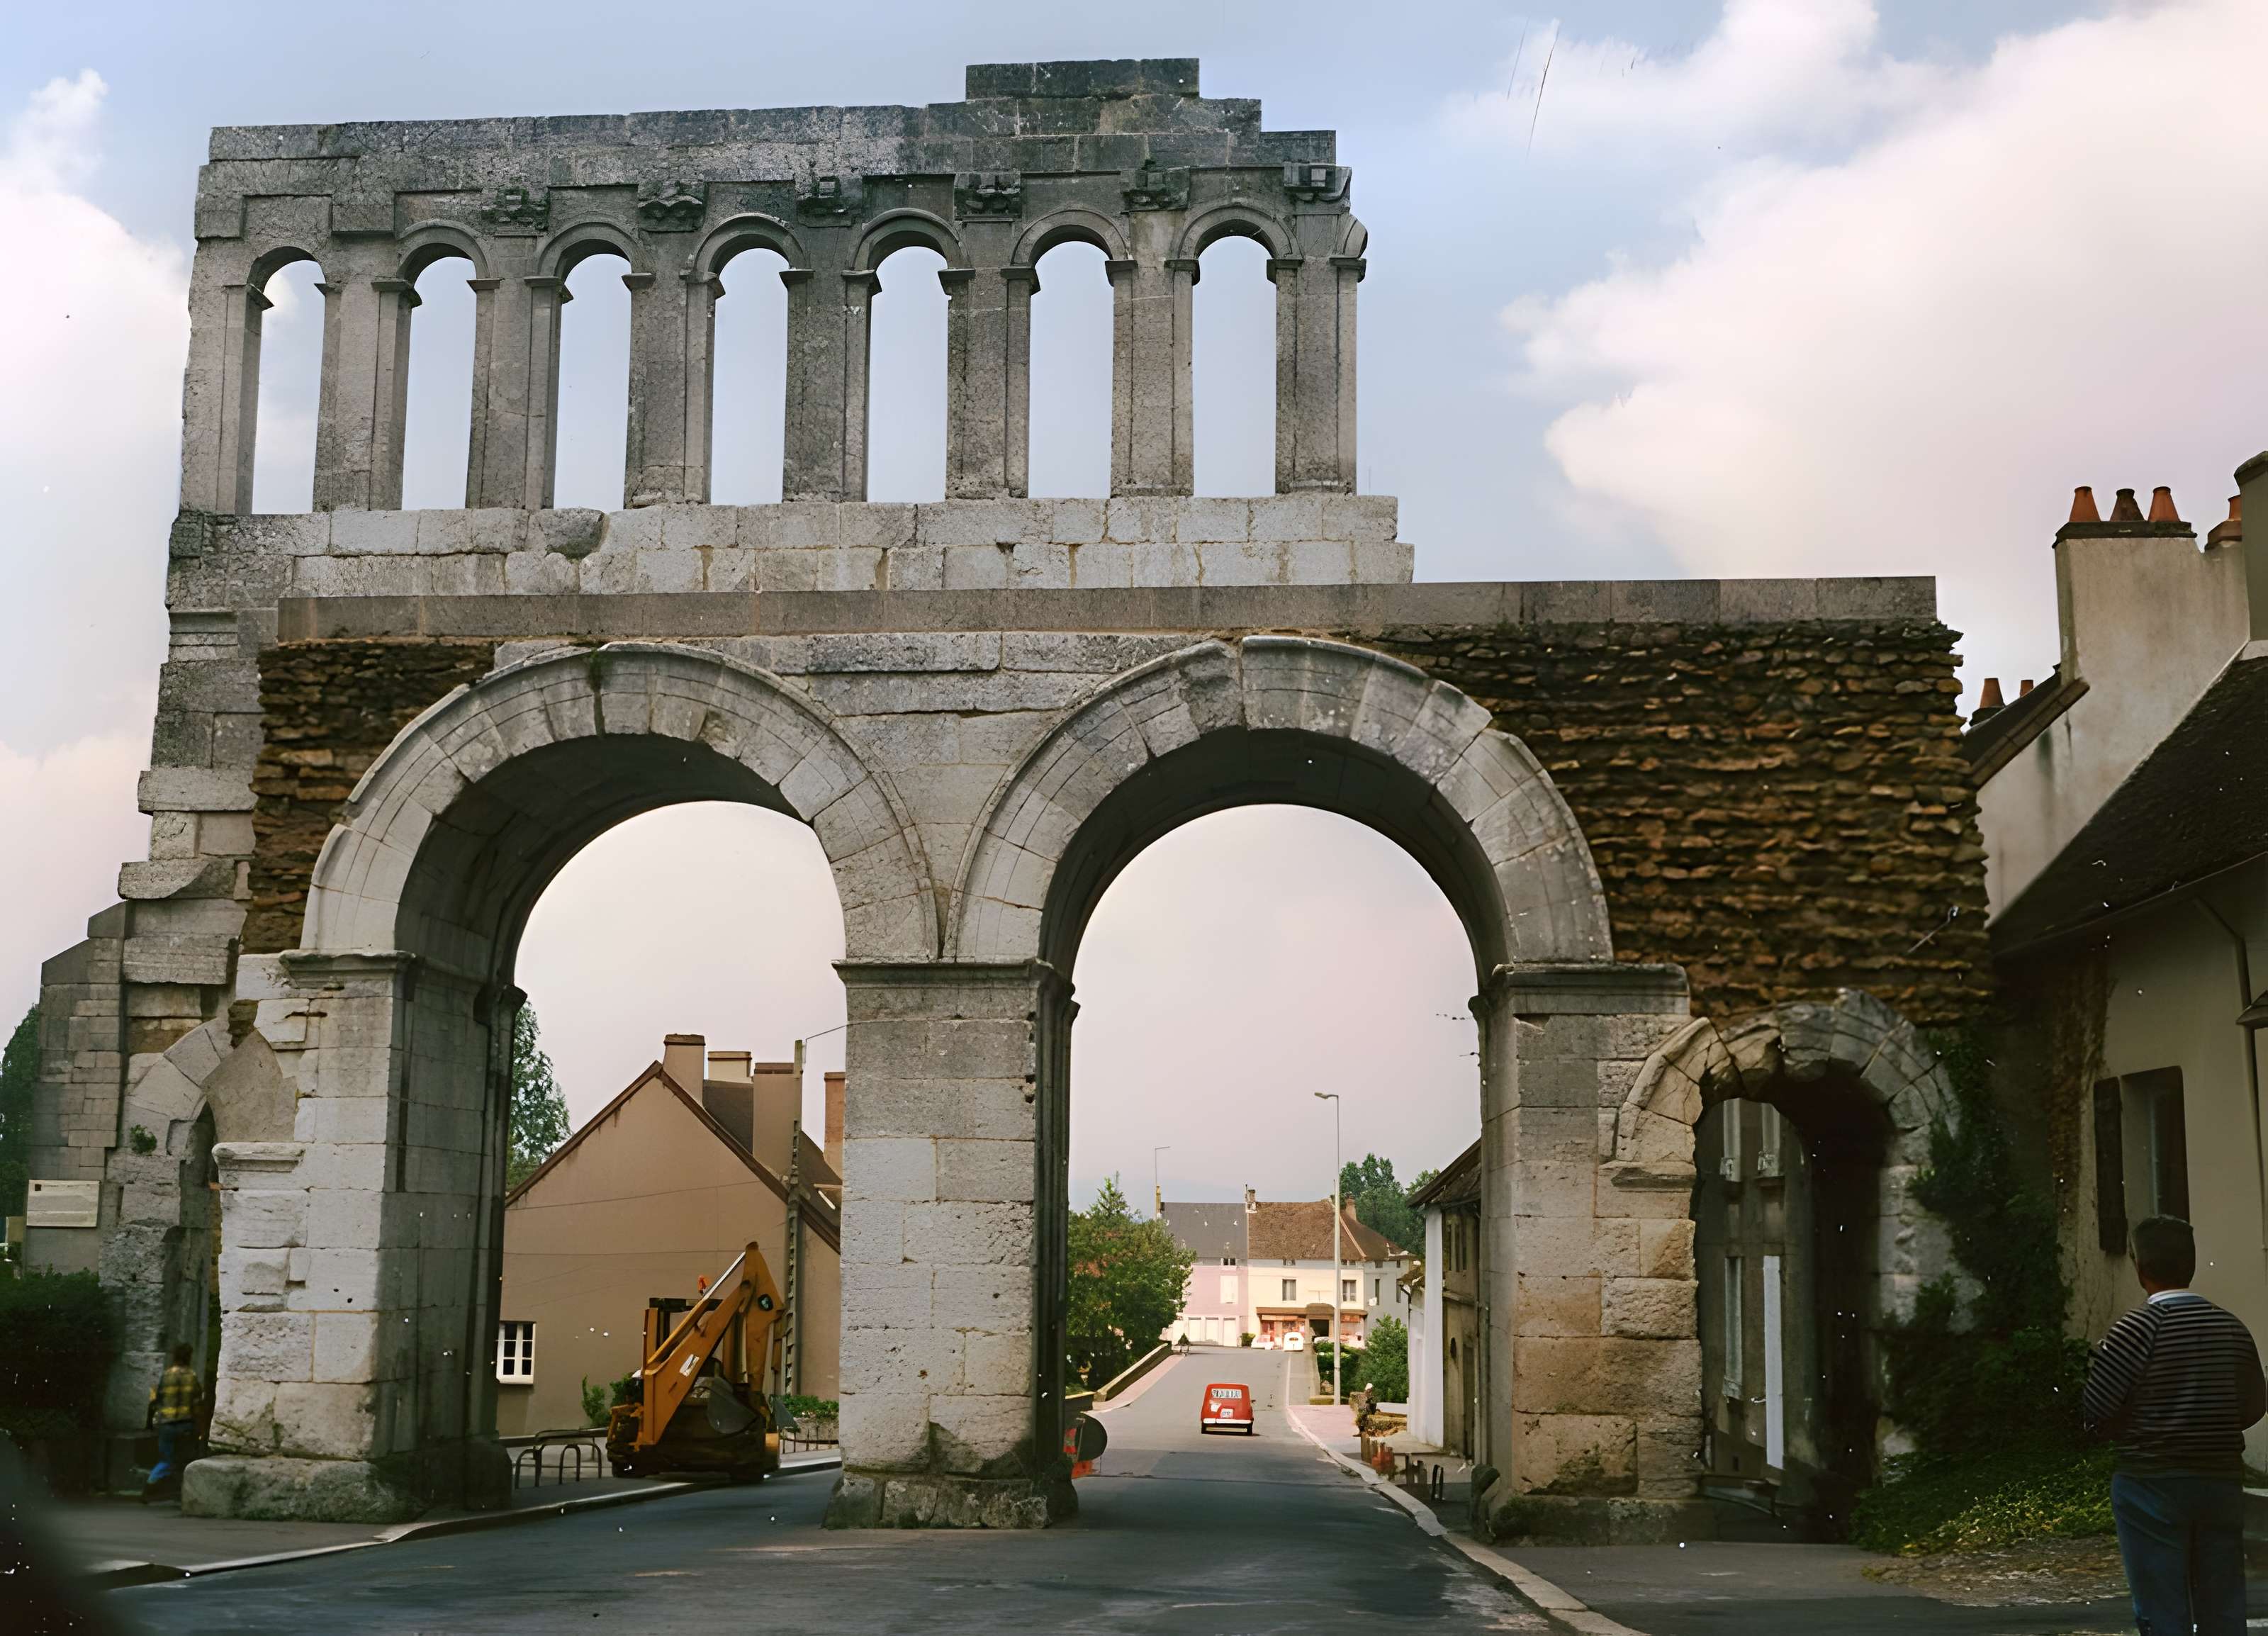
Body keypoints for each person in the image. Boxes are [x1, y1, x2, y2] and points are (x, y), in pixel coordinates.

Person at [2082, 1215, 2267, 1635]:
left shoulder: (2135, 1330)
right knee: (2223, 1603)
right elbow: (2254, 1405)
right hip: (2218, 1479)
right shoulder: (2231, 1327)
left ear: (2140, 1267)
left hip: (2151, 1483)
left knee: (2162, 1606)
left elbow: (2097, 1409)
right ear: (2193, 1265)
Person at [142, 1343, 201, 1502]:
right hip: (185, 1424)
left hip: (166, 1424)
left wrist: (151, 1422)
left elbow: (156, 1400)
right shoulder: (192, 1376)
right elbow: (196, 1403)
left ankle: (149, 1488)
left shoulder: (166, 1375)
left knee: (165, 1460)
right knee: (184, 1460)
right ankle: (182, 1493)